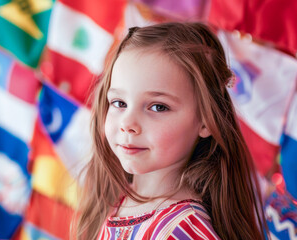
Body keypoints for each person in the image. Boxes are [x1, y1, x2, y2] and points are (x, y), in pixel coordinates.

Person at [74, 22, 267, 240]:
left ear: (206, 121)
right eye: (119, 103)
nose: (127, 123)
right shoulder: (119, 200)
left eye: (158, 107)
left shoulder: (183, 230)